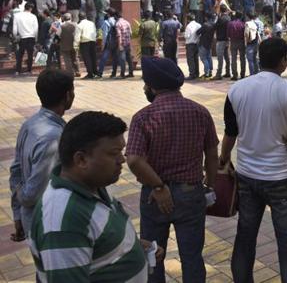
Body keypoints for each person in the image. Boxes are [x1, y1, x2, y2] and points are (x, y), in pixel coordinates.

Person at [219, 38, 287, 282]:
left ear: (259, 58)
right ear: (284, 61)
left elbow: (230, 131)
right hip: (282, 178)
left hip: (247, 176)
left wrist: (224, 159)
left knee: (245, 235)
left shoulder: (237, 89)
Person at [29, 111, 161, 281]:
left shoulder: (93, 187)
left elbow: (96, 240)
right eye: (114, 153)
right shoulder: (63, 221)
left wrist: (132, 246)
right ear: (81, 160)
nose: (122, 159)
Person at [127, 57, 219, 283]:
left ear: (152, 87)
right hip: (191, 194)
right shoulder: (200, 112)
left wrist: (158, 186)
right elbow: (212, 154)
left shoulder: (143, 117)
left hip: (154, 197)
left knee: (153, 256)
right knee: (192, 257)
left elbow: (134, 159)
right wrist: (209, 186)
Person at [9, 70, 74, 241]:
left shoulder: (30, 124)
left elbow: (16, 171)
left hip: (33, 219)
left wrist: (17, 213)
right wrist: (20, 199)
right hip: (48, 225)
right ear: (68, 96)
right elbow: (32, 194)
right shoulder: (53, 137)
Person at [12, 2, 39, 75]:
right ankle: (29, 70)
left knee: (20, 54)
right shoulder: (33, 16)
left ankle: (18, 70)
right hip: (31, 37)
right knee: (30, 55)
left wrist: (15, 37)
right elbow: (36, 28)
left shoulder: (17, 16)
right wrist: (36, 38)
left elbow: (14, 29)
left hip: (22, 37)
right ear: (30, 8)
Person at [77, 11, 98, 79]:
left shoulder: (79, 25)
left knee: (87, 58)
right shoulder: (91, 23)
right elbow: (95, 32)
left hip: (84, 42)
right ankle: (95, 72)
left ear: (79, 18)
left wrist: (76, 45)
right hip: (93, 41)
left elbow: (77, 36)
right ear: (85, 16)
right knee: (93, 57)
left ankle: (90, 74)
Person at [59, 13, 81, 77]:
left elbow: (58, 36)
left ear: (63, 18)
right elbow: (78, 34)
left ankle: (70, 72)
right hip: (74, 44)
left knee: (67, 59)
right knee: (75, 58)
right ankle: (77, 71)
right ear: (70, 18)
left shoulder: (61, 26)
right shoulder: (75, 25)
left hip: (64, 45)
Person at [214, 4, 232, 79]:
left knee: (220, 57)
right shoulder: (229, 18)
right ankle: (228, 72)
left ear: (220, 10)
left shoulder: (220, 18)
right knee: (227, 57)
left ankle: (219, 74)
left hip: (221, 39)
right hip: (227, 39)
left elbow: (215, 26)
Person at [228, 12, 247, 80]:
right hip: (241, 41)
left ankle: (235, 75)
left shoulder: (230, 23)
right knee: (242, 58)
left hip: (233, 41)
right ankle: (242, 74)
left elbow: (228, 34)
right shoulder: (243, 24)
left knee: (233, 59)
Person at [115, 11, 135, 78]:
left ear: (116, 16)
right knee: (129, 59)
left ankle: (122, 74)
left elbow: (119, 35)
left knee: (122, 59)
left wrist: (119, 45)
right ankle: (131, 73)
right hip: (128, 43)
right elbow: (131, 33)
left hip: (122, 44)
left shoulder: (118, 24)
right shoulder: (127, 22)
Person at [198, 14, 216, 79]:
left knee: (204, 58)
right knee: (209, 58)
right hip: (210, 43)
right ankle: (210, 71)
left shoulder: (205, 25)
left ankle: (206, 73)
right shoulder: (213, 25)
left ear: (206, 18)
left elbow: (198, 32)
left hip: (203, 43)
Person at [184, 13, 201, 80]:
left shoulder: (189, 26)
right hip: (196, 43)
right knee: (196, 59)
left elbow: (186, 36)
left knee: (190, 59)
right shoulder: (198, 25)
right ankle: (197, 73)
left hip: (190, 44)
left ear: (188, 19)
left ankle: (192, 74)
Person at [245, 11, 261, 75]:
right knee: (255, 59)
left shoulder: (247, 23)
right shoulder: (256, 23)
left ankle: (252, 74)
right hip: (256, 43)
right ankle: (257, 72)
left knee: (250, 60)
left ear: (248, 17)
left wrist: (246, 41)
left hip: (250, 43)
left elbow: (246, 33)